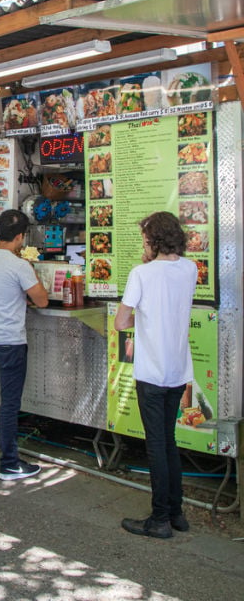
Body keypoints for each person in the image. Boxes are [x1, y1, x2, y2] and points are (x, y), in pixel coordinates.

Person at [115, 211, 198, 539]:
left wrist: (144, 322)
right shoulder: (190, 269)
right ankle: (176, 513)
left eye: (145, 238)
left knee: (156, 444)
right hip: (178, 369)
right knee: (170, 440)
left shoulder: (142, 274)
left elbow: (122, 322)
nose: (143, 244)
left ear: (153, 240)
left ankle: (159, 519)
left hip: (151, 371)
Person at [0, 208, 48, 481]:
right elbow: (42, 300)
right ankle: (10, 463)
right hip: (10, 343)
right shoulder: (19, 265)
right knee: (10, 404)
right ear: (20, 237)